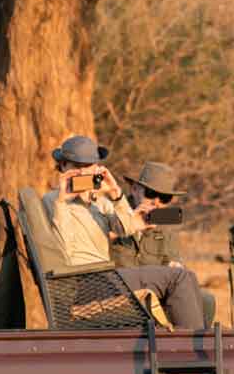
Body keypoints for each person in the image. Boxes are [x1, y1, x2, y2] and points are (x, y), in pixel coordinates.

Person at [40, 136, 204, 330]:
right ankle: (190, 352)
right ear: (63, 166)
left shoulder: (99, 201)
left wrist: (116, 193)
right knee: (180, 278)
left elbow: (125, 227)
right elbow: (63, 249)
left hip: (105, 278)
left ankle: (203, 347)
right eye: (77, 166)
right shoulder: (52, 201)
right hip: (83, 283)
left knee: (187, 276)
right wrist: (62, 201)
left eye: (90, 165)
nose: (84, 171)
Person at [115, 161, 215, 326]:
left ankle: (188, 345)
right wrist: (130, 223)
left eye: (164, 198)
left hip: (155, 291)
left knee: (205, 300)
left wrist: (175, 265)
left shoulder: (164, 225)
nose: (156, 202)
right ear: (134, 189)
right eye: (151, 193)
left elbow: (172, 262)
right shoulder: (112, 214)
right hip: (119, 290)